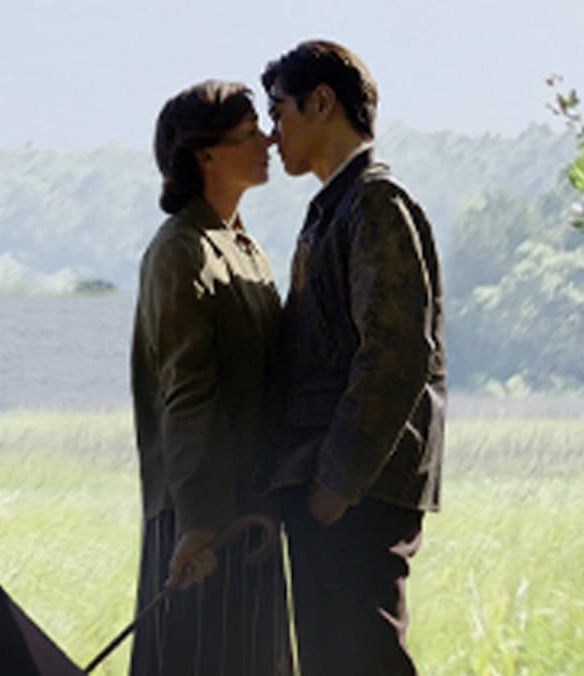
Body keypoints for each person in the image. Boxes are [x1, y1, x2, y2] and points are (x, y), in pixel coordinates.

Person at [261, 39, 445, 675]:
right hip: (330, 485)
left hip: (354, 491)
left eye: (279, 110)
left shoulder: (373, 203)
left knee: (363, 660)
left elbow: (397, 352)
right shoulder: (333, 210)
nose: (271, 132)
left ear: (322, 102)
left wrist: (336, 485)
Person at [128, 79, 291, 676]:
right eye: (248, 134)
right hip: (202, 514)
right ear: (205, 155)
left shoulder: (245, 248)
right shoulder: (180, 251)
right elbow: (186, 391)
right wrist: (197, 522)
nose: (267, 141)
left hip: (251, 503)